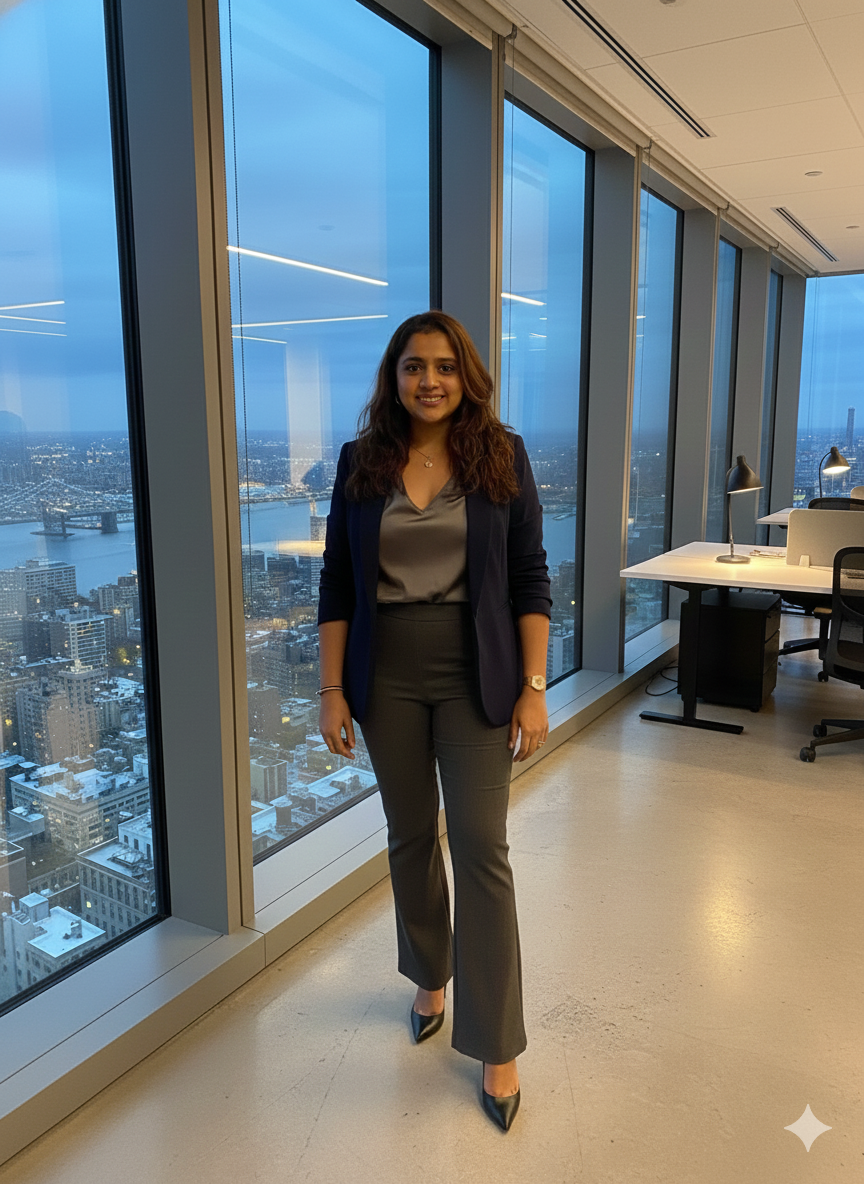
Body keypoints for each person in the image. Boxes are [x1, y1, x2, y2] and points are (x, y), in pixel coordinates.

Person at [317, 311, 551, 1131]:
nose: (430, 381)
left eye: (445, 366)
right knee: (411, 834)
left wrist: (533, 686)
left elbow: (529, 576)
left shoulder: (501, 455)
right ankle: (429, 974)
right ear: (394, 377)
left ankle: (497, 1041)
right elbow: (338, 582)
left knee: (483, 847)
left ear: (467, 376)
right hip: (384, 673)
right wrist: (331, 689)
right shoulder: (361, 461)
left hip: (475, 669)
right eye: (414, 366)